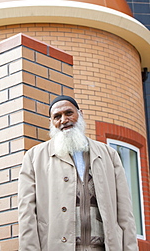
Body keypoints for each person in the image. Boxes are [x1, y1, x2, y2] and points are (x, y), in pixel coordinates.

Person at [18, 95, 138, 251]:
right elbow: (26, 214)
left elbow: (125, 214)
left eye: (69, 113)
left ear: (80, 114)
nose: (64, 120)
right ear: (51, 123)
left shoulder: (110, 155)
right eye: (57, 117)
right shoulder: (34, 157)